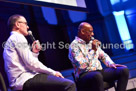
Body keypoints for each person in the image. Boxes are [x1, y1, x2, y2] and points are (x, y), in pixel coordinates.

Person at [3, 14, 76, 91]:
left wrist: (34, 53)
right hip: (24, 79)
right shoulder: (18, 37)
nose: (27, 27)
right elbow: (31, 63)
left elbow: (28, 63)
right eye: (25, 23)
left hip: (21, 80)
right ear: (17, 24)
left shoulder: (12, 39)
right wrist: (53, 72)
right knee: (69, 85)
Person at [68, 22, 129, 91]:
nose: (93, 34)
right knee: (97, 76)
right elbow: (82, 66)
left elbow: (103, 55)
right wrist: (93, 50)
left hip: (99, 71)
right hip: (84, 75)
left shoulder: (91, 42)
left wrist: (111, 64)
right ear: (82, 31)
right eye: (90, 32)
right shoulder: (74, 46)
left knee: (123, 70)